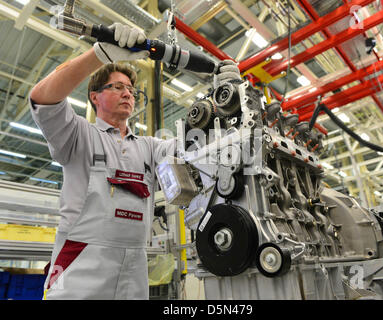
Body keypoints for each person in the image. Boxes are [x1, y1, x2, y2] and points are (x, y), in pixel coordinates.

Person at [30, 22, 240, 300]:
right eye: (117, 87)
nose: (128, 93)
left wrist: (222, 99)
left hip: (135, 263)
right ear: (95, 97)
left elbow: (193, 145)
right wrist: (99, 55)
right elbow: (42, 99)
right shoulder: (78, 134)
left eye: (130, 89)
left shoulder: (149, 147)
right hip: (81, 260)